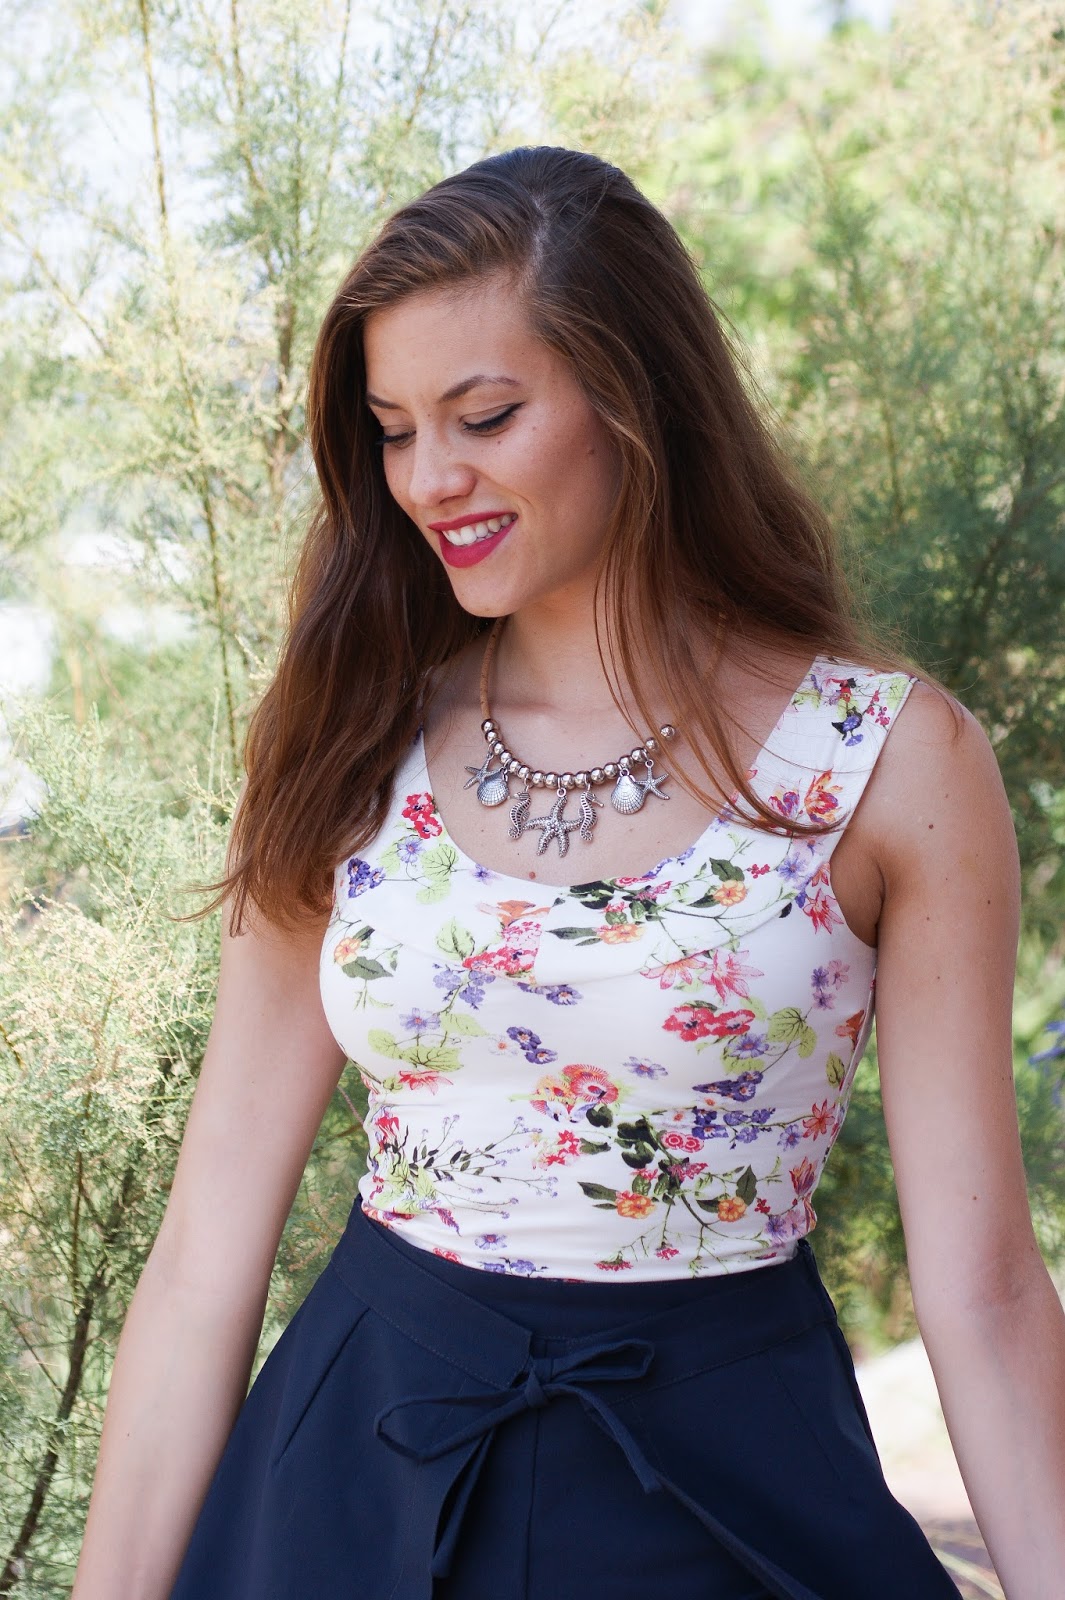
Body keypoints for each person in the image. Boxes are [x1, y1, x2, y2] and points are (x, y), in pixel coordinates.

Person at [73, 146, 1065, 1600]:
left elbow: (982, 1290)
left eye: (484, 416)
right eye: (393, 430)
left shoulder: (889, 760)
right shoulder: (351, 739)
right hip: (351, 1486)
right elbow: (203, 1258)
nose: (430, 480)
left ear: (636, 399)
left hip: (733, 1487)